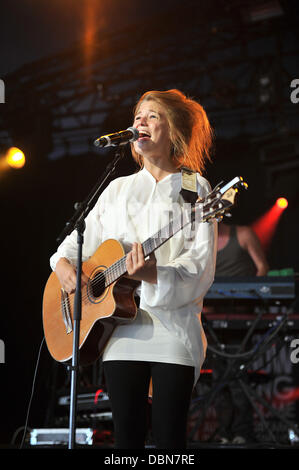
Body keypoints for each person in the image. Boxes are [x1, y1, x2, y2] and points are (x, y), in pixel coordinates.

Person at [50, 89, 217, 449]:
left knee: (170, 438)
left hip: (173, 329)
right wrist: (64, 267)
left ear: (173, 131)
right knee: (127, 439)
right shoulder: (117, 188)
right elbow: (72, 246)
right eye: (138, 115)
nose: (140, 121)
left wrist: (152, 274)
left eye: (152, 116)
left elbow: (200, 267)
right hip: (121, 332)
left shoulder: (195, 188)